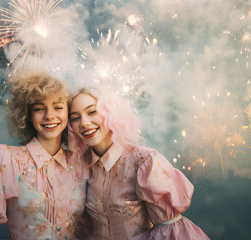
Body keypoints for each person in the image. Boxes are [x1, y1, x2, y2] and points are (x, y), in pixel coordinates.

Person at [68, 87, 209, 240]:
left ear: (110, 113)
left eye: (92, 112)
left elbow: (168, 229)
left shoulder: (145, 161)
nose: (84, 123)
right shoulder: (82, 167)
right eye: (75, 118)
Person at [0, 71, 86, 240]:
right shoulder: (7, 158)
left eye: (58, 107)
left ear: (69, 114)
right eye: (39, 108)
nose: (49, 116)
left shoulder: (80, 163)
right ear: (27, 115)